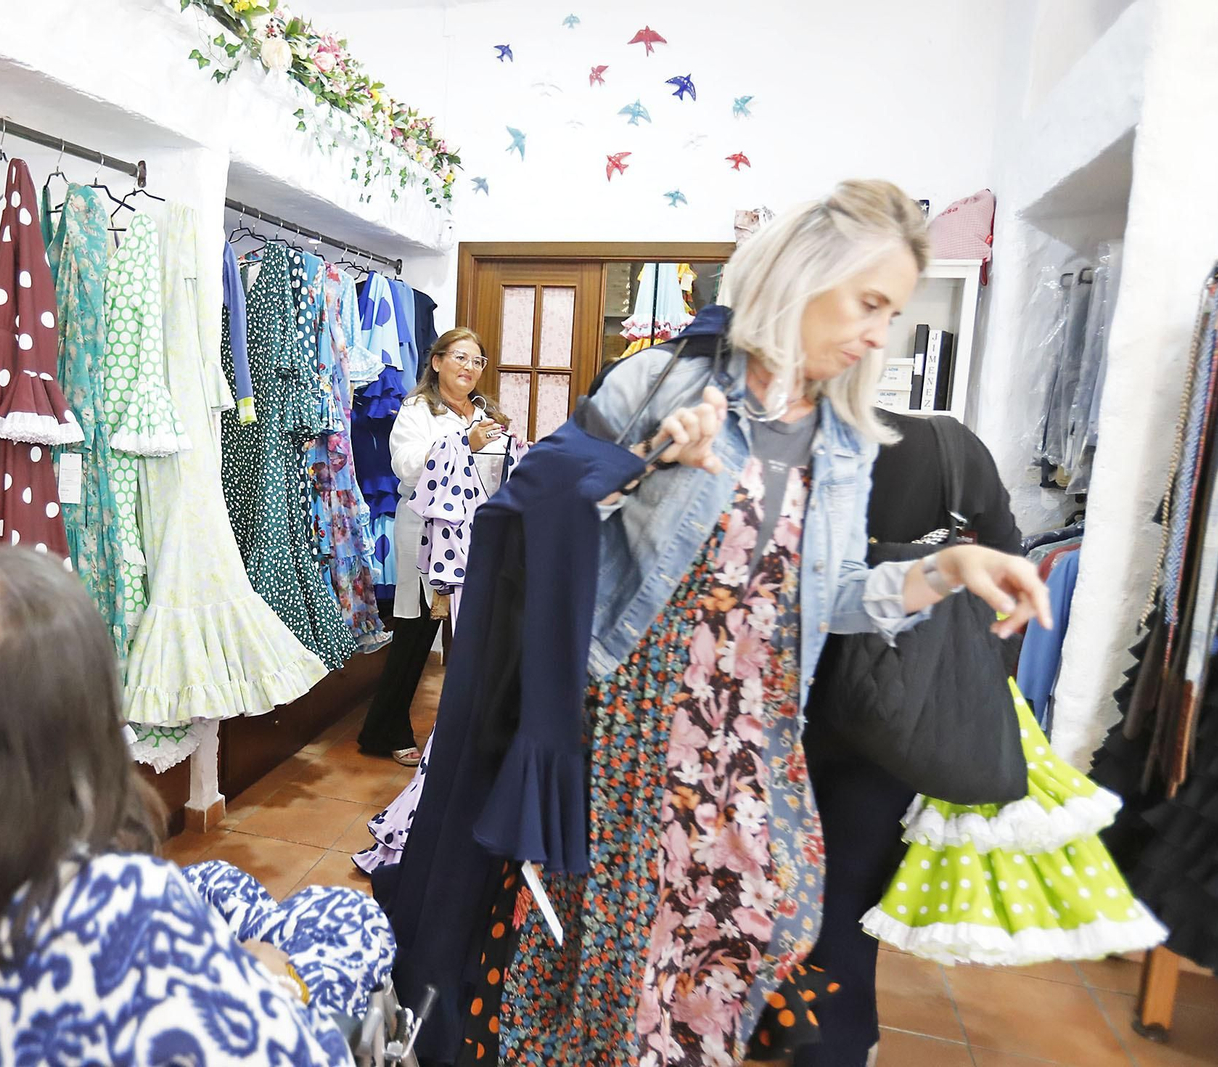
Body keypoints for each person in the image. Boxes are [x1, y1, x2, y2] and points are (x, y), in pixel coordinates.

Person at [495, 180, 1052, 1067]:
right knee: (622, 961)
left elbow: (832, 596)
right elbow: (533, 515)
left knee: (746, 935)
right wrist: (639, 463)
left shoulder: (846, 438)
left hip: (757, 738)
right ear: (805, 275)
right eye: (869, 303)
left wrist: (949, 569)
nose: (880, 334)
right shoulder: (661, 380)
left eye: (893, 312)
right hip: (640, 733)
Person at [0, 547, 393, 1066]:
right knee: (348, 918)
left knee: (219, 883)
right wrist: (274, 982)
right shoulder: (136, 914)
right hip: (228, 995)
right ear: (88, 728)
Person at [795, 408, 1022, 1067]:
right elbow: (1004, 564)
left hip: (786, 697)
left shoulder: (793, 434)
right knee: (848, 890)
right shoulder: (952, 447)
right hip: (897, 704)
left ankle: (768, 1022)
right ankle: (837, 1043)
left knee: (768, 881)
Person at [358, 327, 516, 765]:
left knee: (475, 631)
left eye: (477, 360)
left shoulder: (486, 413)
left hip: (477, 533)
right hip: (428, 531)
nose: (469, 367)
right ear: (437, 361)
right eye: (460, 357)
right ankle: (385, 729)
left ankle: (473, 733)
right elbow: (407, 467)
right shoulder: (417, 410)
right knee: (417, 631)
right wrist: (463, 443)